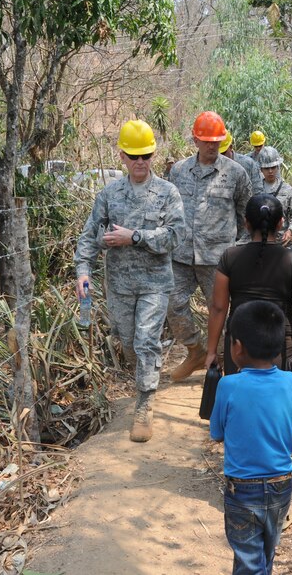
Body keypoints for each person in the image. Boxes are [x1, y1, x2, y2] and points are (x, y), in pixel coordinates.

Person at [74, 119, 185, 442]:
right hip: (119, 285)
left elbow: (176, 236)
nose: (140, 162)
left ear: (153, 155)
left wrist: (134, 236)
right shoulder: (109, 195)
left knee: (146, 339)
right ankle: (144, 376)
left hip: (154, 283)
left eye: (146, 155)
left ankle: (145, 402)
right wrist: (83, 270)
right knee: (126, 341)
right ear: (122, 156)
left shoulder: (167, 193)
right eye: (134, 156)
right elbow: (88, 237)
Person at [210, 300, 292, 575]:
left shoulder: (228, 385)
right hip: (282, 483)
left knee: (249, 560)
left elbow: (216, 433)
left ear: (237, 346)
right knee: (265, 553)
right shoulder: (290, 381)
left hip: (243, 489)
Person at [167, 111, 252, 381]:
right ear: (195, 140)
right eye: (207, 141)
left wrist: (239, 247)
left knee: (223, 314)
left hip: (218, 258)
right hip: (181, 254)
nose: (212, 146)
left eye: (217, 140)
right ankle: (196, 351)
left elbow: (246, 214)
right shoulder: (178, 171)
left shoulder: (235, 173)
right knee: (171, 303)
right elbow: (168, 209)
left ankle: (229, 370)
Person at [204, 193, 292, 378]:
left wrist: (211, 351)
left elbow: (218, 307)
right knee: (278, 401)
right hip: (280, 347)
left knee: (239, 399)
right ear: (281, 223)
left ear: (246, 223)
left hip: (238, 347)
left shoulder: (230, 257)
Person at [258, 146, 292, 246]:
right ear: (261, 169)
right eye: (266, 168)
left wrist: (291, 231)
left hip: (282, 245)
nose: (270, 171)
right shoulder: (255, 190)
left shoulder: (288, 190)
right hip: (261, 245)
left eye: (273, 167)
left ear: (278, 167)